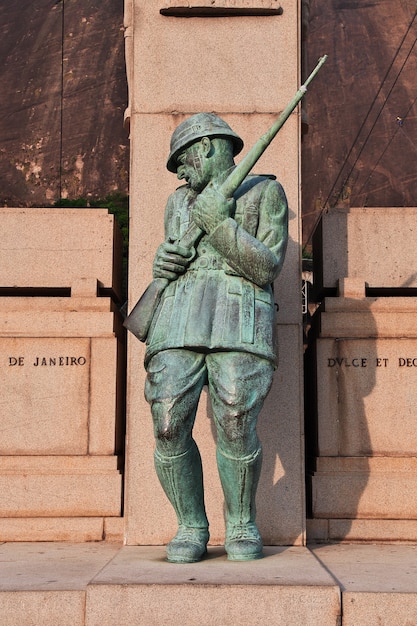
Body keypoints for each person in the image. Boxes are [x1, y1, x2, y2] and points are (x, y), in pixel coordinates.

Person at [144, 113, 288, 563]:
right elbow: (172, 256)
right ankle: (191, 525)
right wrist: (163, 261)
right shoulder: (177, 204)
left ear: (206, 148)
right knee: (167, 424)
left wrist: (221, 225)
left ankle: (242, 523)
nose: (182, 173)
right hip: (179, 317)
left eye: (184, 161)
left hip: (238, 317)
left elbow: (266, 268)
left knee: (235, 423)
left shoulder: (265, 191)